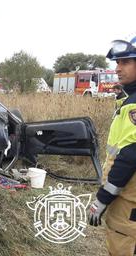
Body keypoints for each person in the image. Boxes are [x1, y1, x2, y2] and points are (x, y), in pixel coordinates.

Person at [88, 37, 136, 255]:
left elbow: (128, 157)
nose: (117, 68)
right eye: (117, 62)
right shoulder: (129, 99)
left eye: (125, 62)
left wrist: (102, 200)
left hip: (128, 201)